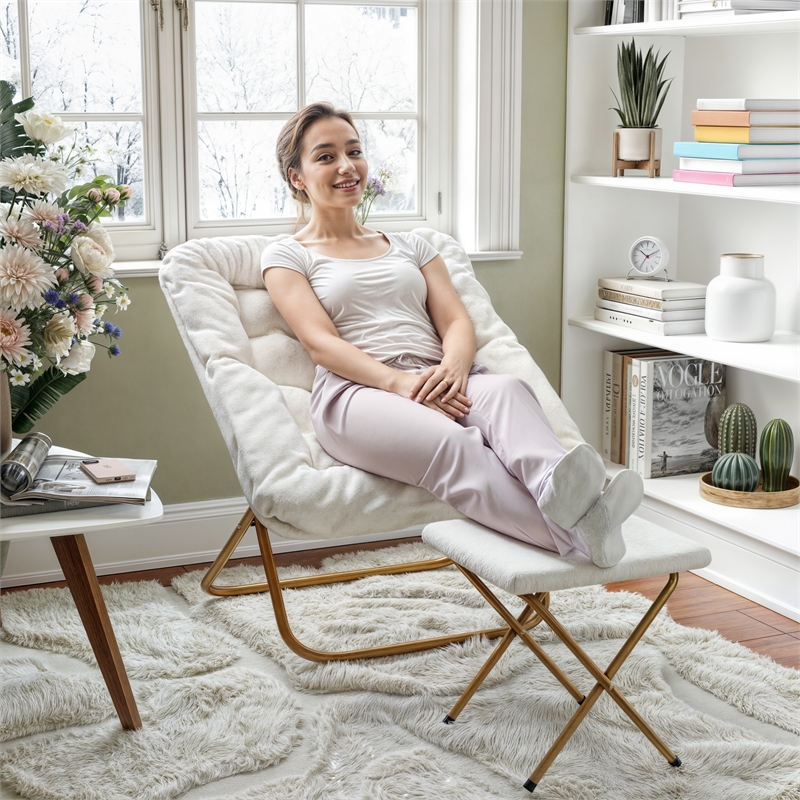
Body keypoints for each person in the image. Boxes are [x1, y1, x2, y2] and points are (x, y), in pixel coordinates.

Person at [261, 103, 643, 568]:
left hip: (439, 374)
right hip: (357, 393)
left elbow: (458, 323)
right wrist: (400, 384)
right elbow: (321, 344)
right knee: (457, 446)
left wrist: (453, 370)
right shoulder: (286, 255)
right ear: (296, 176)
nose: (346, 166)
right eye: (325, 157)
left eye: (354, 151)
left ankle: (564, 493)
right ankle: (584, 535)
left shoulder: (412, 246)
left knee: (506, 390)